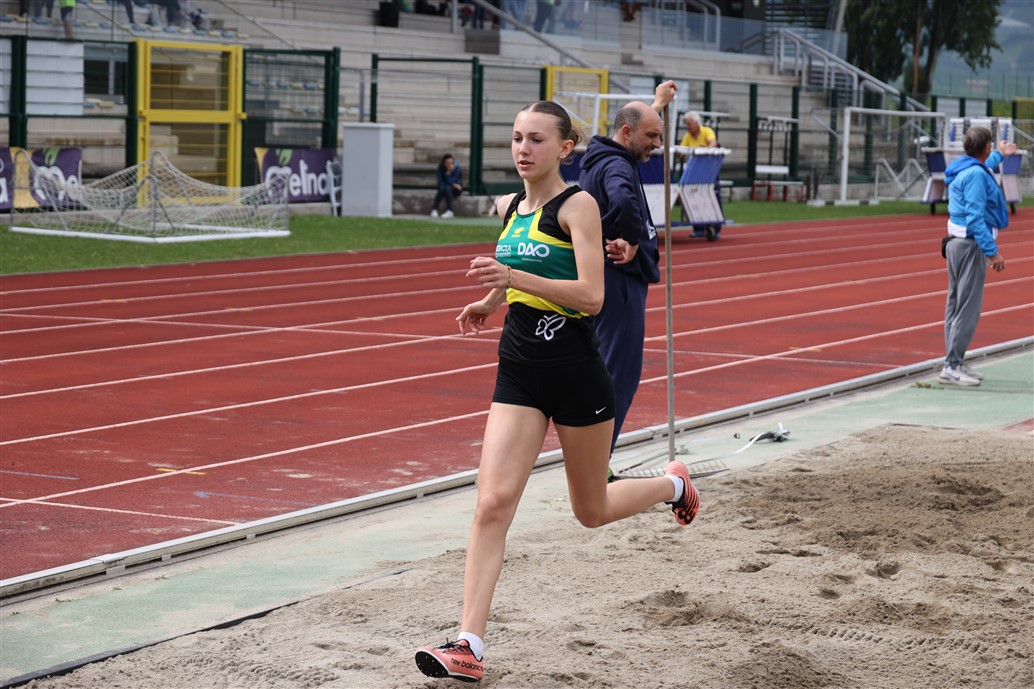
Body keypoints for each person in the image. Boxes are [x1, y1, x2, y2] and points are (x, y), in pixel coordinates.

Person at [414, 100, 700, 683]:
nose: (523, 149)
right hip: (519, 372)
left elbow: (591, 295)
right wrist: (490, 301)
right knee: (492, 504)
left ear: (566, 148)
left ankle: (673, 485)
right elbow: (519, 263)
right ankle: (469, 644)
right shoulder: (510, 207)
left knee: (591, 510)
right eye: (517, 138)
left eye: (537, 139)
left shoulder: (579, 206)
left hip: (575, 373)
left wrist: (511, 278)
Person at [578, 80, 677, 456]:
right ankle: (596, 463)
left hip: (605, 279)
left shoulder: (606, 155)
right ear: (626, 133)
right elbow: (621, 198)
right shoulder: (616, 164)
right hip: (619, 281)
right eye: (652, 136)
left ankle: (592, 460)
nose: (658, 143)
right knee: (619, 375)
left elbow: (638, 123)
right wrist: (633, 240)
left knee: (605, 372)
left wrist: (658, 104)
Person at [939, 127, 1016, 386]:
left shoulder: (964, 167)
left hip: (957, 243)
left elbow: (983, 165)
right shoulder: (975, 175)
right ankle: (952, 365)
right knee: (967, 308)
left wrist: (1000, 155)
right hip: (970, 245)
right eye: (991, 146)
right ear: (985, 148)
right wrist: (992, 253)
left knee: (956, 305)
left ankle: (954, 361)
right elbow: (974, 218)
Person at [676, 111, 722, 241]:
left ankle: (715, 226)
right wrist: (680, 151)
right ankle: (698, 228)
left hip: (710, 171)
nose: (687, 127)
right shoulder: (687, 136)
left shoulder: (707, 131)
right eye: (686, 124)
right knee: (693, 196)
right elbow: (680, 152)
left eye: (689, 124)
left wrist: (705, 148)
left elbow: (713, 143)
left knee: (713, 195)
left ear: (697, 123)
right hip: (695, 172)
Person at [430, 153, 463, 218]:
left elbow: (456, 182)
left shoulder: (457, 169)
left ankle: (450, 210)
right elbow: (440, 182)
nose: (449, 165)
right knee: (442, 188)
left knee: (447, 187)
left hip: (455, 190)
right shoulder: (440, 169)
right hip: (444, 188)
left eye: (451, 163)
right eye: (447, 163)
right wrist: (448, 174)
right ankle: (434, 209)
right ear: (444, 163)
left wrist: (448, 176)